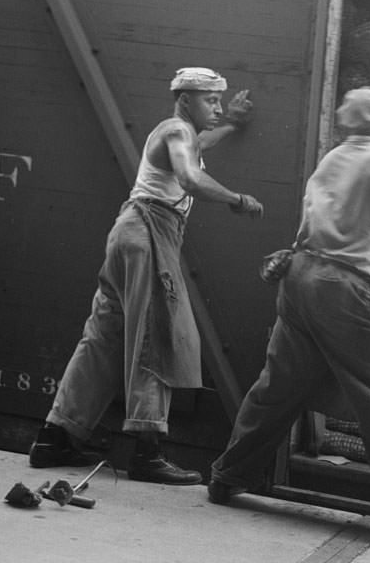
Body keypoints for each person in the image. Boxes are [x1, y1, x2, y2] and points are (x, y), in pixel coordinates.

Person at [207, 86, 370, 540]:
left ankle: (228, 476)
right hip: (348, 289)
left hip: (301, 276)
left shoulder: (332, 159)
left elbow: (316, 221)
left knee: (279, 388)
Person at [28, 67, 264, 485]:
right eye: (211, 101)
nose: (217, 107)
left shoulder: (178, 134)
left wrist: (229, 125)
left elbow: (199, 147)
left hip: (128, 232)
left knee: (103, 337)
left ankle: (55, 437)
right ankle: (146, 450)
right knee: (157, 337)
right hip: (151, 232)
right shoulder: (177, 129)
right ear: (185, 100)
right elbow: (190, 177)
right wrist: (237, 199)